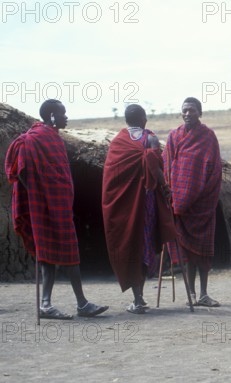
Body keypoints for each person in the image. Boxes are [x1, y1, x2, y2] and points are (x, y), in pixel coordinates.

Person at [4, 99, 108, 319]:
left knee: (52, 254)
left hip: (58, 205)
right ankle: (75, 304)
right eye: (63, 114)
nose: (66, 117)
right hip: (42, 206)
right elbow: (20, 170)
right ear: (52, 116)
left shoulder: (53, 139)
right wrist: (36, 194)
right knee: (59, 254)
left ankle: (51, 304)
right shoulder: (33, 140)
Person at [102, 104, 177, 314]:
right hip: (147, 205)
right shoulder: (150, 139)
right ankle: (139, 299)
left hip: (124, 208)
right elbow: (155, 169)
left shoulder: (117, 142)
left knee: (131, 246)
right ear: (144, 118)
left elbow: (111, 180)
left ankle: (138, 299)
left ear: (126, 121)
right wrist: (165, 188)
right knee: (144, 246)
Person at [164, 97, 222, 307]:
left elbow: (215, 170)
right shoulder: (174, 136)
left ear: (200, 113)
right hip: (180, 205)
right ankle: (191, 294)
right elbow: (167, 167)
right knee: (187, 253)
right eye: (184, 110)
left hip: (203, 205)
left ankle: (204, 294)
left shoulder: (208, 136)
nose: (187, 114)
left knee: (203, 254)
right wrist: (172, 195)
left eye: (192, 110)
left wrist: (206, 195)